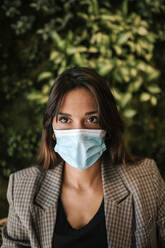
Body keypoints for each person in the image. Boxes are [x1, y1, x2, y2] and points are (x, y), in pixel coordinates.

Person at [2, 67, 165, 248]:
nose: (78, 133)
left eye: (92, 119)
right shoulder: (23, 187)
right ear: (51, 129)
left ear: (108, 126)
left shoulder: (146, 179)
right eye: (65, 119)